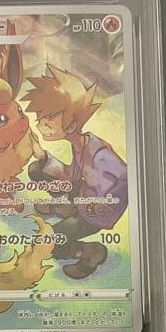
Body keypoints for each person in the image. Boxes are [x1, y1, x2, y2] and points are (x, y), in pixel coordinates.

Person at [23, 64, 128, 280]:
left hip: (96, 213)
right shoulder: (80, 144)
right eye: (41, 119)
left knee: (47, 243)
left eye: (47, 121)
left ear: (70, 125)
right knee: (37, 169)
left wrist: (93, 205)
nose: (41, 125)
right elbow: (72, 175)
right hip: (83, 197)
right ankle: (64, 207)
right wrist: (42, 156)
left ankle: (88, 252)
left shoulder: (99, 155)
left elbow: (123, 182)